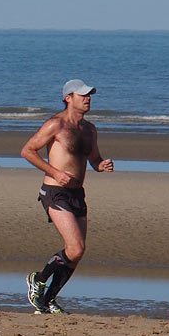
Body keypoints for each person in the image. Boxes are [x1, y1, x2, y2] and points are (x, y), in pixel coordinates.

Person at [19, 79, 115, 314]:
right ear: (67, 98)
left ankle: (49, 299)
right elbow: (27, 151)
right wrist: (54, 172)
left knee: (76, 253)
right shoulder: (55, 125)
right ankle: (38, 280)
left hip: (77, 194)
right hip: (54, 192)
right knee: (74, 248)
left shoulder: (90, 130)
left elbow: (93, 160)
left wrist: (101, 165)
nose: (88, 98)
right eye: (82, 95)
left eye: (89, 95)